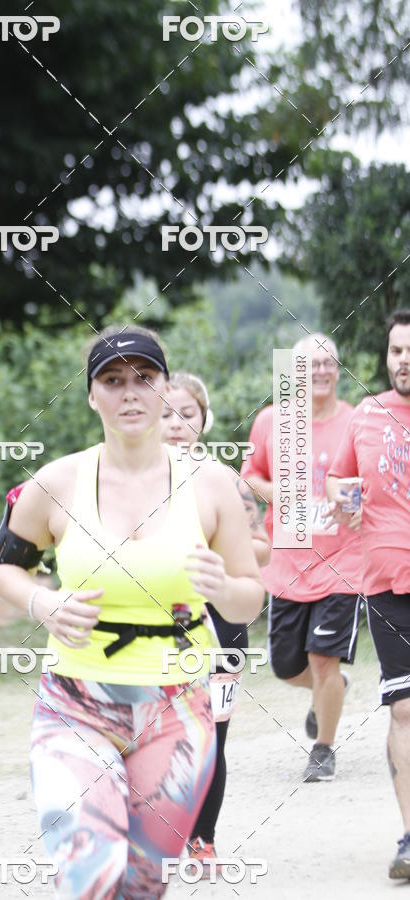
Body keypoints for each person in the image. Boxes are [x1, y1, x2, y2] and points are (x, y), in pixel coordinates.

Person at [0, 326, 264, 898]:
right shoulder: (58, 481)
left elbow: (250, 596)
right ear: (92, 395)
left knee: (140, 885)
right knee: (91, 875)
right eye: (112, 380)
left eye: (145, 378)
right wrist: (44, 600)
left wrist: (222, 587)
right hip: (76, 702)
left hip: (178, 707)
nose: (130, 392)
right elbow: (2, 566)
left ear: (165, 391)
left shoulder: (212, 486)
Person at [161, 371, 270, 871]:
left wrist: (218, 563)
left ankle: (202, 839)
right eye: (165, 413)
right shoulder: (127, 479)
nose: (176, 424)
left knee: (214, 733)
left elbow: (264, 547)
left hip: (222, 623)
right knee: (155, 730)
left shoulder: (226, 481)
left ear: (204, 420)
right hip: (155, 624)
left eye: (187, 414)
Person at [242, 333, 363, 782]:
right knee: (286, 665)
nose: (321, 372)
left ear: (338, 369)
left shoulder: (356, 422)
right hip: (288, 559)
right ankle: (333, 692)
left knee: (321, 659)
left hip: (342, 562)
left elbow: (369, 482)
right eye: (311, 365)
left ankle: (323, 749)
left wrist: (355, 503)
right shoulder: (272, 421)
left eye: (329, 363)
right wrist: (280, 493)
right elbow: (250, 475)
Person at [327, 309, 410, 879]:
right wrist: (342, 497)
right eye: (396, 350)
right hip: (386, 581)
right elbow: (337, 479)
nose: (404, 360)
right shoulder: (368, 413)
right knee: (404, 708)